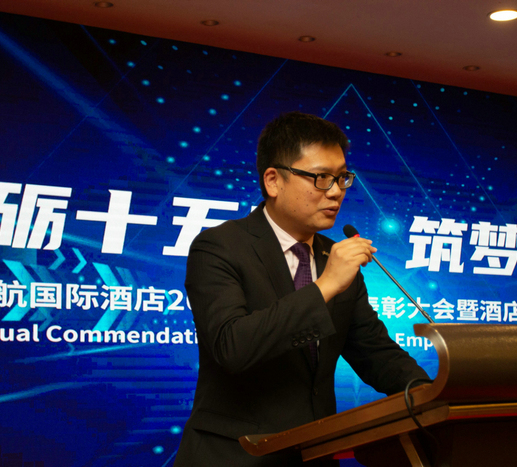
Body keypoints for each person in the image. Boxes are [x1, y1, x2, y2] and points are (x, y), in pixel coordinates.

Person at [174, 112, 429, 466]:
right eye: (321, 178)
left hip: (313, 455)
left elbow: (374, 352)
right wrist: (325, 287)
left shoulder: (332, 258)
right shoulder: (219, 246)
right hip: (234, 456)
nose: (336, 191)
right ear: (273, 181)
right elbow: (231, 346)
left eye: (342, 178)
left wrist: (432, 392)